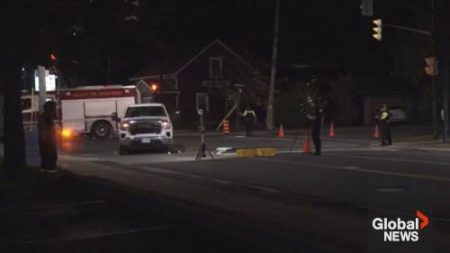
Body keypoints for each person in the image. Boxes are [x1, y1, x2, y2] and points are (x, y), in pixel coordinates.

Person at [38, 101, 58, 171]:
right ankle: (50, 171)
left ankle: (45, 170)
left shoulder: (43, 117)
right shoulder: (47, 118)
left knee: (45, 158)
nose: (55, 110)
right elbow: (46, 131)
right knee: (51, 157)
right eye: (54, 109)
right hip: (48, 141)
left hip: (44, 141)